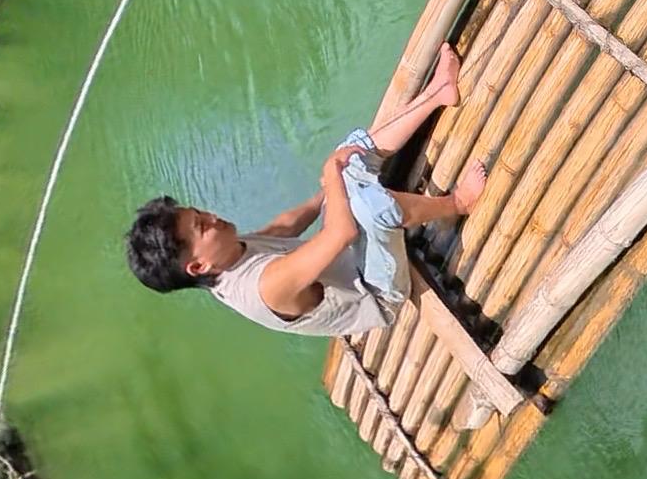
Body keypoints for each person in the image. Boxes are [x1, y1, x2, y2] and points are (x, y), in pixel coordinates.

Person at [125, 46, 484, 337]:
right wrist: (332, 177)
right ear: (198, 265)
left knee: (348, 154)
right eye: (202, 227)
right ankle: (458, 202)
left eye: (199, 213)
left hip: (347, 260)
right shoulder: (264, 287)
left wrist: (323, 194)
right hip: (375, 290)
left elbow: (282, 229)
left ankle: (439, 92)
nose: (212, 217)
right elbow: (340, 233)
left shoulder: (226, 254)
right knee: (371, 205)